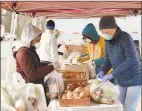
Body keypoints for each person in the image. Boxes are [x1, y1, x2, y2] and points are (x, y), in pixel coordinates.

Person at [97, 16, 141, 111]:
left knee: (129, 108)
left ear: (114, 28)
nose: (105, 35)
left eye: (107, 32)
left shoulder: (125, 38)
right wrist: (102, 71)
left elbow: (132, 59)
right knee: (118, 107)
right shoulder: (108, 42)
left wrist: (112, 75)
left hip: (134, 80)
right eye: (103, 33)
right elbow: (107, 61)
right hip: (121, 80)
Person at [12, 23, 55, 105]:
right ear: (31, 37)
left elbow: (34, 63)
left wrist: (47, 64)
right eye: (38, 36)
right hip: (30, 90)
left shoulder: (29, 49)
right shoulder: (23, 53)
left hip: (36, 86)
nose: (40, 39)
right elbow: (32, 74)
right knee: (38, 106)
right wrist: (52, 67)